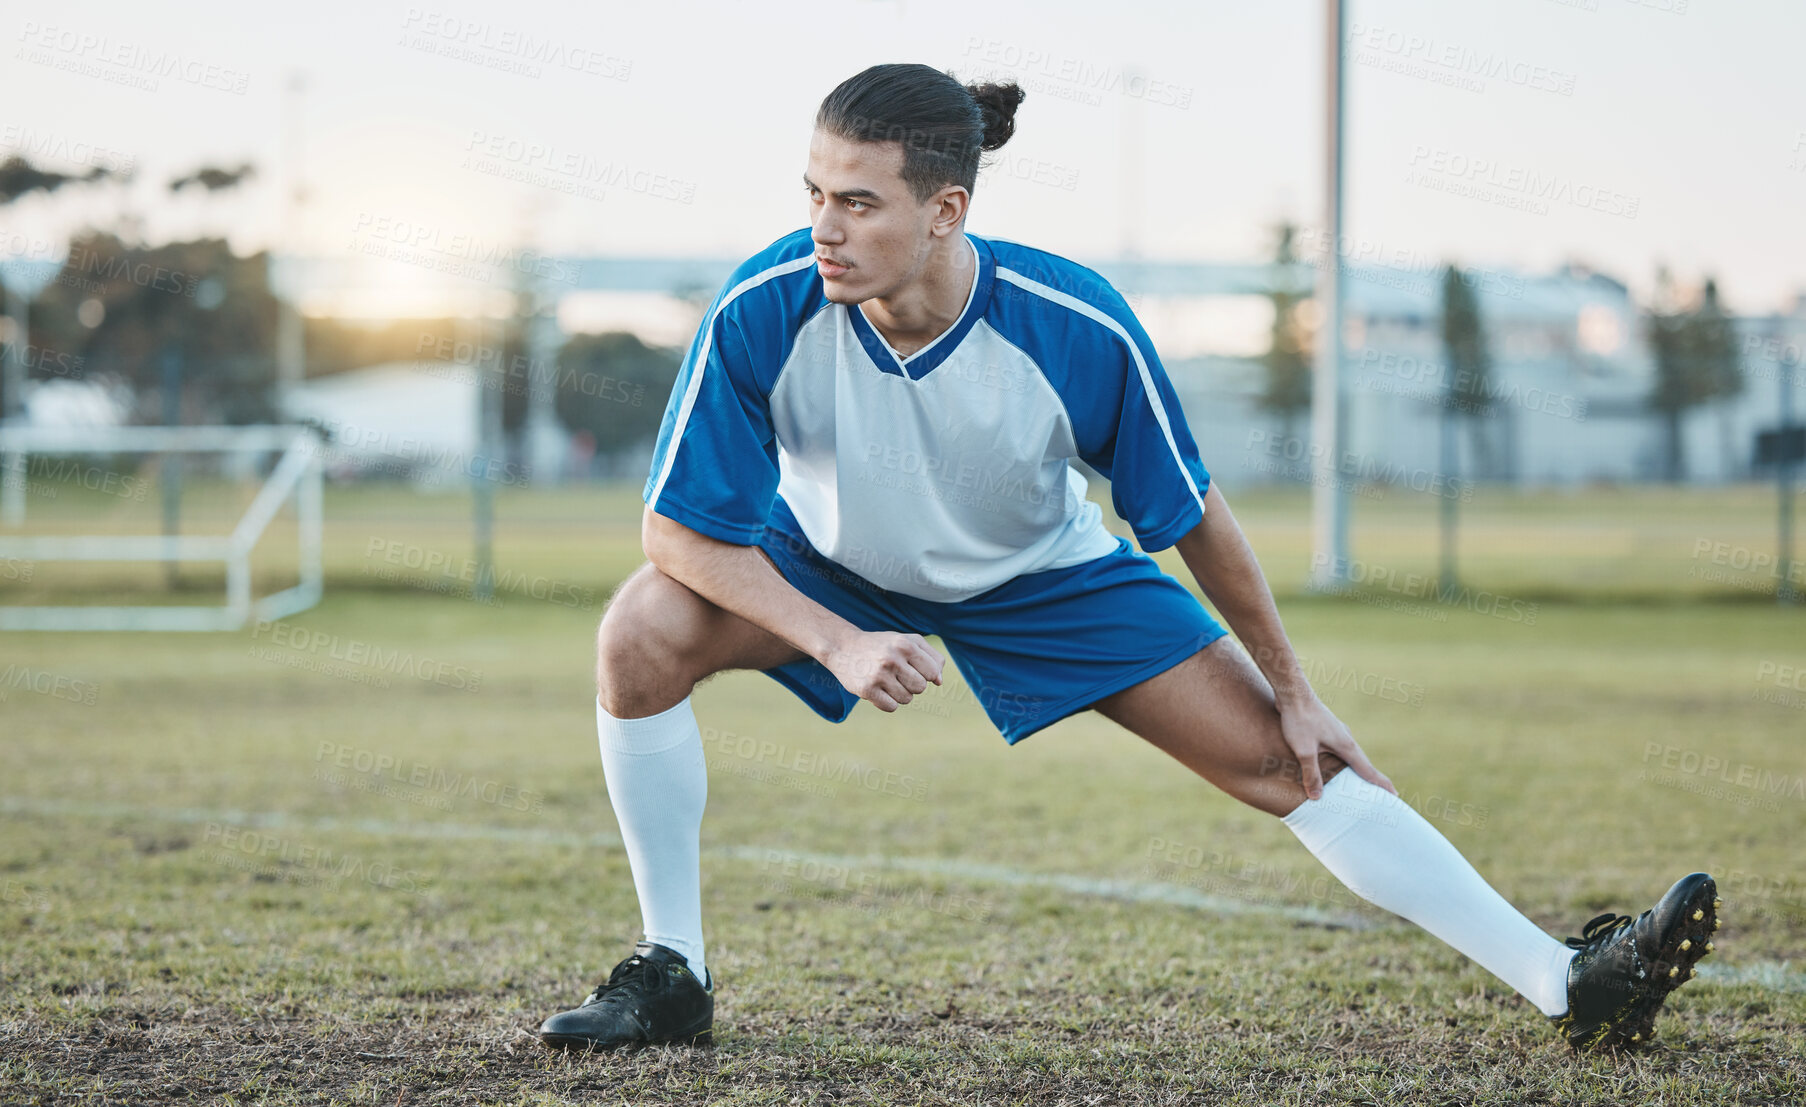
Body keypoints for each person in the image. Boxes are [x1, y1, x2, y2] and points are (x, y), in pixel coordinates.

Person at [536, 63, 1718, 1055]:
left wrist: (1300, 693)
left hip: (1043, 578)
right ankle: (673, 971)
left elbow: (1192, 513)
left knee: (1286, 762)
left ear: (946, 211)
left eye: (859, 203)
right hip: (834, 570)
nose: (824, 228)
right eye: (813, 194)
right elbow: (678, 530)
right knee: (640, 630)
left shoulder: (1075, 323)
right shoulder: (764, 305)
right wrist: (836, 637)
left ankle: (1573, 986)